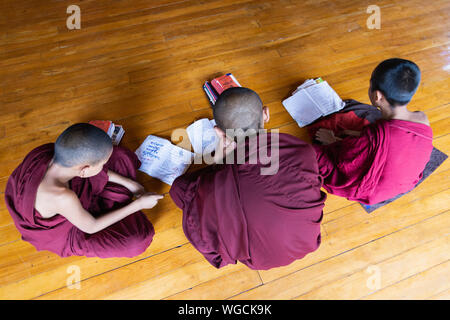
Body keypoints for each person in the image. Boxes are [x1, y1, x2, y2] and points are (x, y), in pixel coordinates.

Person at [170, 87, 326, 270]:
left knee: (180, 188)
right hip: (304, 241)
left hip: (259, 257)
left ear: (220, 132)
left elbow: (207, 189)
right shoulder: (302, 151)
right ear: (265, 114)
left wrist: (219, 163)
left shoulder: (218, 180)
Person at [4, 123, 163, 258]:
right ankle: (119, 208)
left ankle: (116, 202)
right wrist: (139, 204)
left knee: (121, 156)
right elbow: (91, 226)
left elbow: (95, 171)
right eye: (101, 165)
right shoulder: (61, 196)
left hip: (73, 184)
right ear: (84, 170)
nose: (103, 167)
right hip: (71, 229)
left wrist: (130, 184)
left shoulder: (46, 152)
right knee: (137, 241)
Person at [312, 58, 433, 205]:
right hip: (403, 182)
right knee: (368, 119)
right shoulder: (423, 119)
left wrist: (331, 141)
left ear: (377, 96)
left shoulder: (373, 139)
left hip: (374, 189)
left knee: (313, 154)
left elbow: (345, 160)